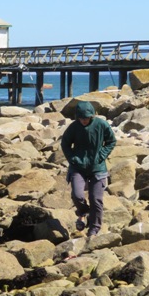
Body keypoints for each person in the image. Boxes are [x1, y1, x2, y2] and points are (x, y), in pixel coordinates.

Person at [61, 100, 117, 237]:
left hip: (97, 168)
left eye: (86, 118)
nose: (84, 121)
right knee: (77, 195)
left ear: (92, 116)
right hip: (78, 166)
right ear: (77, 117)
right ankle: (83, 212)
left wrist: (101, 155)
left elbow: (111, 141)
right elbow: (65, 144)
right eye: (81, 118)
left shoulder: (101, 125)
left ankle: (94, 229)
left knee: (96, 199)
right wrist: (73, 159)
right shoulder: (73, 127)